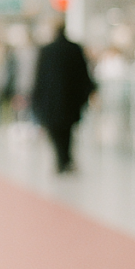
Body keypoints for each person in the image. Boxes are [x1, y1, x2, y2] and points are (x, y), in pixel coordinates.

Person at [31, 21, 95, 173]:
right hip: (71, 98)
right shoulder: (75, 49)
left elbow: (39, 77)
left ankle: (61, 160)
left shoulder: (46, 50)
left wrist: (36, 97)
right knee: (67, 131)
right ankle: (65, 159)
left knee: (54, 130)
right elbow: (84, 74)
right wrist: (87, 93)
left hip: (51, 99)